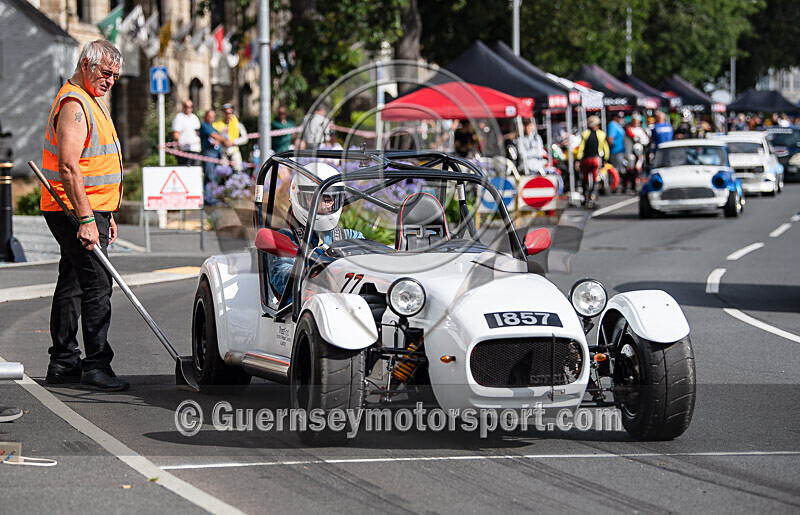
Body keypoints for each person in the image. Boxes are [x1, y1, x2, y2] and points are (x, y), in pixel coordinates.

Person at [39, 40, 127, 391]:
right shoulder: (75, 103)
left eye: (115, 77)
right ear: (86, 65)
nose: (110, 82)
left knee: (73, 281)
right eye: (106, 74)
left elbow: (97, 164)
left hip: (91, 207)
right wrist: (89, 220)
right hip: (74, 209)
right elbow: (69, 167)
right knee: (97, 284)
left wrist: (107, 213)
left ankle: (63, 362)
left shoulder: (93, 100)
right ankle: (96, 365)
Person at [268, 163, 363, 298]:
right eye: (314, 198)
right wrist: (314, 271)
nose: (323, 205)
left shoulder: (351, 236)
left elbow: (370, 262)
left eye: (328, 199)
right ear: (299, 198)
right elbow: (281, 277)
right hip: (302, 310)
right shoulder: (285, 239)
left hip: (347, 305)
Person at [576, 115, 610, 208]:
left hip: (586, 159)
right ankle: (592, 196)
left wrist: (578, 159)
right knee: (595, 178)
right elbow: (605, 148)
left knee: (584, 178)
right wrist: (606, 159)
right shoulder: (601, 134)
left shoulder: (585, 134)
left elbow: (581, 148)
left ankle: (585, 196)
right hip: (596, 159)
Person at [214, 103, 248, 171]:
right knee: (223, 172)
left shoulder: (237, 124)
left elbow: (245, 138)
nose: (228, 115)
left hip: (234, 150)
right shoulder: (217, 124)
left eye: (230, 113)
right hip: (222, 151)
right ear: (223, 113)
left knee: (238, 170)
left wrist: (233, 142)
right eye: (226, 113)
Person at [199, 109, 230, 183]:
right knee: (210, 176)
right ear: (205, 117)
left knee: (216, 176)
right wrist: (224, 140)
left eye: (213, 117)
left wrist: (219, 139)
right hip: (209, 153)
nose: (211, 119)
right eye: (209, 117)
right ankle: (209, 193)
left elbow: (217, 138)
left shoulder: (213, 127)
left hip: (217, 154)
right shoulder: (204, 126)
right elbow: (215, 136)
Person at [622, 113, 651, 193]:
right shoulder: (629, 129)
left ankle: (634, 186)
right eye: (634, 121)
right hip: (630, 152)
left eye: (637, 121)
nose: (636, 123)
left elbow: (645, 141)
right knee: (630, 170)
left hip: (639, 152)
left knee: (637, 170)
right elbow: (632, 136)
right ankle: (626, 186)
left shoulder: (641, 130)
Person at [171, 99, 201, 165]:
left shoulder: (194, 118)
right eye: (186, 106)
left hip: (195, 149)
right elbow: (176, 134)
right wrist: (179, 149)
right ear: (183, 107)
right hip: (184, 150)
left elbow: (198, 133)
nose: (188, 109)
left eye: (190, 107)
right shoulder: (179, 117)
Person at [606, 111, 626, 177]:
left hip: (620, 151)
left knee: (620, 169)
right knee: (616, 171)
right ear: (615, 117)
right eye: (619, 117)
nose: (621, 119)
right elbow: (610, 138)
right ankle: (616, 186)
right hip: (615, 152)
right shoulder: (612, 124)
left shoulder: (618, 125)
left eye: (622, 117)